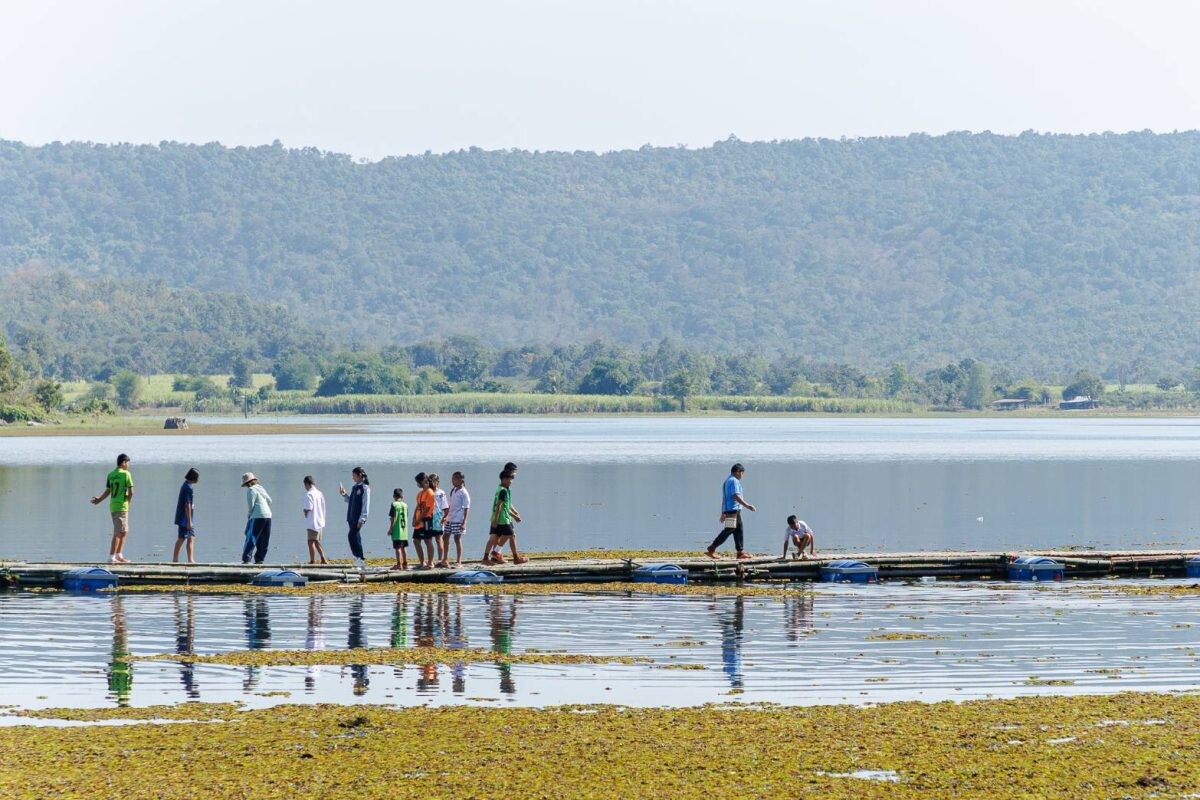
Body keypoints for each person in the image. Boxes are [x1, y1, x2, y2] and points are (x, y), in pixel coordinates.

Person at [706, 463, 756, 560]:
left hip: (730, 510)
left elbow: (725, 498)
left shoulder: (727, 481)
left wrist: (723, 512)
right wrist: (748, 505)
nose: (742, 475)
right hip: (733, 510)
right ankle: (712, 548)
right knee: (729, 530)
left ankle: (740, 552)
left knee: (738, 530)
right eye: (742, 473)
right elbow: (736, 496)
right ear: (737, 472)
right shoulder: (734, 481)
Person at [90, 453, 134, 564]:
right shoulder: (126, 474)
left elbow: (108, 491)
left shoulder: (111, 474)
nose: (129, 465)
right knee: (118, 532)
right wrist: (128, 502)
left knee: (124, 531)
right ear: (123, 462)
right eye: (128, 463)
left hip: (114, 506)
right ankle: (111, 557)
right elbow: (131, 491)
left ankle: (119, 555)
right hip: (122, 506)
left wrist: (99, 500)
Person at [483, 469, 526, 565]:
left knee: (493, 537)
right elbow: (500, 506)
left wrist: (495, 518)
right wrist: (514, 516)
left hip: (496, 517)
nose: (511, 482)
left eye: (511, 479)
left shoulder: (501, 488)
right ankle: (496, 552)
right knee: (510, 534)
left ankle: (485, 558)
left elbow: (506, 505)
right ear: (503, 479)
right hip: (502, 518)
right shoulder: (503, 491)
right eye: (509, 479)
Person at [339, 467, 371, 570]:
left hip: (358, 518)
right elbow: (351, 501)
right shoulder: (355, 487)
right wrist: (344, 495)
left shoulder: (365, 488)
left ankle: (359, 559)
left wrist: (362, 519)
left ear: (359, 475)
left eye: (354, 475)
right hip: (351, 518)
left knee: (351, 536)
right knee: (357, 538)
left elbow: (366, 504)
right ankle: (360, 560)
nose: (352, 478)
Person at [241, 472, 273, 564]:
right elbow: (270, 501)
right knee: (264, 538)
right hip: (268, 515)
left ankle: (246, 559)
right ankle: (260, 559)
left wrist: (249, 515)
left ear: (247, 483)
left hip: (257, 516)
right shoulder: (261, 488)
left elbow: (251, 505)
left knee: (252, 537)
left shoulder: (251, 490)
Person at [172, 468, 199, 564]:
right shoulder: (188, 488)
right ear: (193, 478)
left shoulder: (186, 485)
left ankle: (186, 559)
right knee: (183, 538)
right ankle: (180, 560)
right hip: (185, 518)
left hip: (184, 518)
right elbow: (187, 505)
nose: (198, 480)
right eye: (197, 477)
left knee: (189, 537)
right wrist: (189, 521)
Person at [445, 471, 471, 567]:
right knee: (445, 537)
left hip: (458, 518)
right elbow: (450, 504)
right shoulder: (453, 490)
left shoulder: (464, 492)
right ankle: (445, 559)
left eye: (455, 479)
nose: (453, 481)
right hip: (450, 518)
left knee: (457, 538)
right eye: (452, 478)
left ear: (461, 480)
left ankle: (459, 561)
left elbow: (466, 507)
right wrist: (445, 516)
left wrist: (464, 522)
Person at [412, 472, 436, 569]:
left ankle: (430, 563)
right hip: (418, 520)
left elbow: (427, 509)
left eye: (418, 482)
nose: (417, 484)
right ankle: (422, 562)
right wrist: (414, 519)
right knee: (416, 541)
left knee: (428, 540)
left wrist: (419, 520)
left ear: (422, 481)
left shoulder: (430, 492)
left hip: (426, 520)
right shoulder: (419, 494)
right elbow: (417, 507)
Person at [303, 476, 328, 565]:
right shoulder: (319, 493)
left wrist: (304, 512)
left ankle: (312, 561)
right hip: (320, 520)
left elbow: (308, 507)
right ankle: (323, 558)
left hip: (312, 521)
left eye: (305, 485)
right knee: (316, 541)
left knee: (310, 542)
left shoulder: (309, 494)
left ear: (307, 484)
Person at [429, 473, 448, 568]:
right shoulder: (427, 492)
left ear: (437, 482)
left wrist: (445, 517)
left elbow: (446, 507)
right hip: (428, 518)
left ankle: (440, 559)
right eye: (430, 481)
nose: (432, 483)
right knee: (428, 540)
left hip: (438, 518)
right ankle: (430, 560)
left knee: (438, 539)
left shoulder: (441, 493)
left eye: (433, 481)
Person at [388, 487, 410, 570]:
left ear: (394, 496)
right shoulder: (405, 505)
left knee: (397, 548)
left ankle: (398, 564)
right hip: (404, 530)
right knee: (404, 547)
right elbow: (406, 516)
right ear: (402, 496)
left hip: (397, 530)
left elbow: (393, 518)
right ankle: (405, 564)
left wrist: (390, 529)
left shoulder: (394, 504)